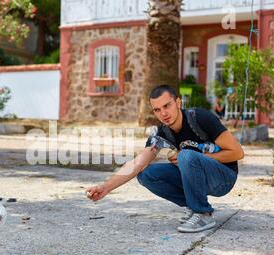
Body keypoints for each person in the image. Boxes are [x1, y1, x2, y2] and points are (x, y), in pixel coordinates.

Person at [86, 85, 244, 233]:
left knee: (186, 155)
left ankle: (202, 213)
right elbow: (137, 163)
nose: (163, 113)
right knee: (146, 174)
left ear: (178, 102)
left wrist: (194, 157)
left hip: (223, 177)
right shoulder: (161, 133)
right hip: (198, 178)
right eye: (157, 110)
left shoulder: (200, 118)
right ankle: (193, 204)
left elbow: (237, 153)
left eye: (167, 106)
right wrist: (106, 187)